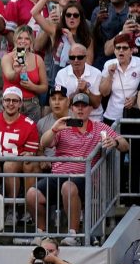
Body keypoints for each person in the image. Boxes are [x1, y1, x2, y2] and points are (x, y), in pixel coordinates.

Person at [26, 93, 129, 245]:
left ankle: (72, 235)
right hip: (58, 175)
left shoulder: (100, 127)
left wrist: (114, 142)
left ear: (91, 109)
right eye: (77, 106)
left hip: (84, 177)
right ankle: (41, 233)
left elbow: (125, 145)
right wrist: (54, 130)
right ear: (71, 107)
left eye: (84, 106)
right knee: (32, 194)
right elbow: (44, 143)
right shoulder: (63, 125)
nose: (80, 109)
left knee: (68, 186)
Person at [0, 86, 40, 226]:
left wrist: (29, 154)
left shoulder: (29, 125)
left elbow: (32, 152)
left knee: (9, 165)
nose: (10, 104)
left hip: (16, 161)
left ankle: (12, 209)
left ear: (20, 103)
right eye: (7, 100)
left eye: (14, 100)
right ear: (2, 102)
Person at [1, 25, 48, 122]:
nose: (23, 41)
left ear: (31, 41)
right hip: (10, 104)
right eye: (20, 38)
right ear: (15, 40)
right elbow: (9, 76)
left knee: (31, 136)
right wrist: (16, 71)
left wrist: (32, 86)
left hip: (31, 105)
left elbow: (44, 87)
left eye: (27, 38)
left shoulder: (38, 59)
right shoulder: (7, 57)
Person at [54, 43, 103, 122]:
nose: (76, 60)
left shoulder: (96, 73)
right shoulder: (61, 74)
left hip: (94, 118)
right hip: (71, 118)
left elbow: (96, 104)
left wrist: (86, 91)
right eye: (72, 57)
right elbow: (61, 104)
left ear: (86, 57)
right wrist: (77, 91)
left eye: (80, 57)